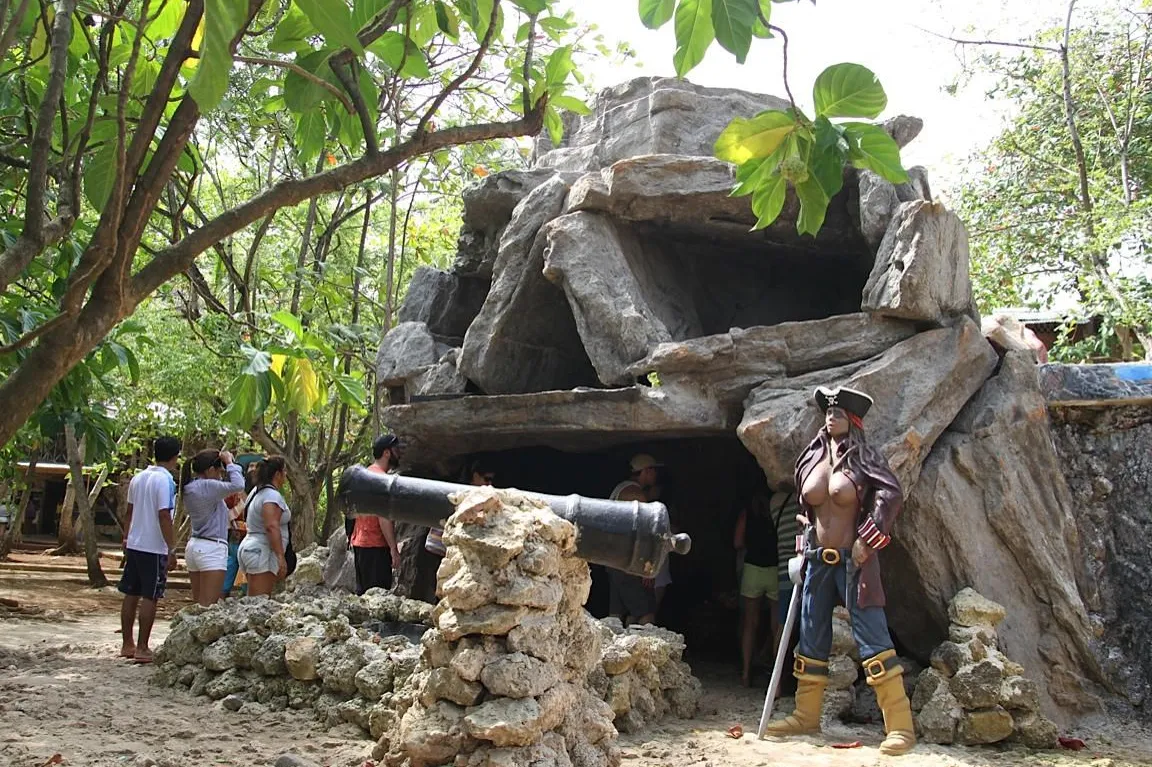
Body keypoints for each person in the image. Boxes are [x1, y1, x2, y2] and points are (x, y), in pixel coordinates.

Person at [764, 386, 915, 756]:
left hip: (854, 561)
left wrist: (869, 537)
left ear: (853, 420)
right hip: (816, 561)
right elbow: (808, 504)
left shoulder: (864, 458)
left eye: (839, 413)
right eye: (828, 413)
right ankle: (806, 714)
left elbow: (890, 494)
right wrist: (805, 528)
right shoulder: (811, 457)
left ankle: (900, 726)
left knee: (873, 636)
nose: (832, 418)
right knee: (811, 634)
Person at [118, 435, 180, 664]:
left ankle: (127, 643)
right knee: (150, 595)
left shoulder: (139, 477)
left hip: (135, 543)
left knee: (130, 592)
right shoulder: (165, 481)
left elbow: (129, 512)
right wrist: (171, 548)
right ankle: (143, 646)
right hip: (153, 546)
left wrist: (126, 537)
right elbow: (164, 514)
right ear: (175, 457)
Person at [181, 449, 245, 606]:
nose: (221, 476)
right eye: (219, 471)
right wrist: (230, 462)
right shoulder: (208, 486)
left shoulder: (190, 487)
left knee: (198, 605)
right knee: (208, 606)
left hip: (195, 546)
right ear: (210, 470)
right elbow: (238, 485)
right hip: (211, 548)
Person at [607, 454, 661, 626]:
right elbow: (643, 533)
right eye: (654, 470)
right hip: (629, 564)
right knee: (646, 613)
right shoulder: (635, 495)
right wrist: (647, 567)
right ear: (646, 471)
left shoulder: (620, 489)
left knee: (618, 615)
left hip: (614, 561)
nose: (656, 475)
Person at [733, 483, 778, 687]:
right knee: (777, 626)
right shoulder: (776, 511)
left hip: (753, 568)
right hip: (776, 570)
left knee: (750, 623)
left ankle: (745, 673)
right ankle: (776, 678)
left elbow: (737, 542)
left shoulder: (747, 513)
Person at [351, 435, 404, 594]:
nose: (399, 454)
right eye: (396, 450)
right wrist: (393, 549)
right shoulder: (381, 480)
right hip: (375, 546)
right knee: (377, 597)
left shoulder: (365, 475)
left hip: (360, 544)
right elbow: (383, 517)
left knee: (364, 595)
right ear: (387, 453)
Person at [237, 456, 292, 597]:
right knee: (259, 602)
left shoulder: (256, 492)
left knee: (254, 600)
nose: (286, 475)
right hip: (262, 550)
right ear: (277, 474)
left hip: (251, 546)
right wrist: (280, 556)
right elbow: (271, 526)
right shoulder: (271, 496)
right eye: (284, 471)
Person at [426, 456, 495, 559]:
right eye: (487, 479)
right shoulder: (461, 494)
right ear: (475, 476)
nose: (489, 484)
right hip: (439, 545)